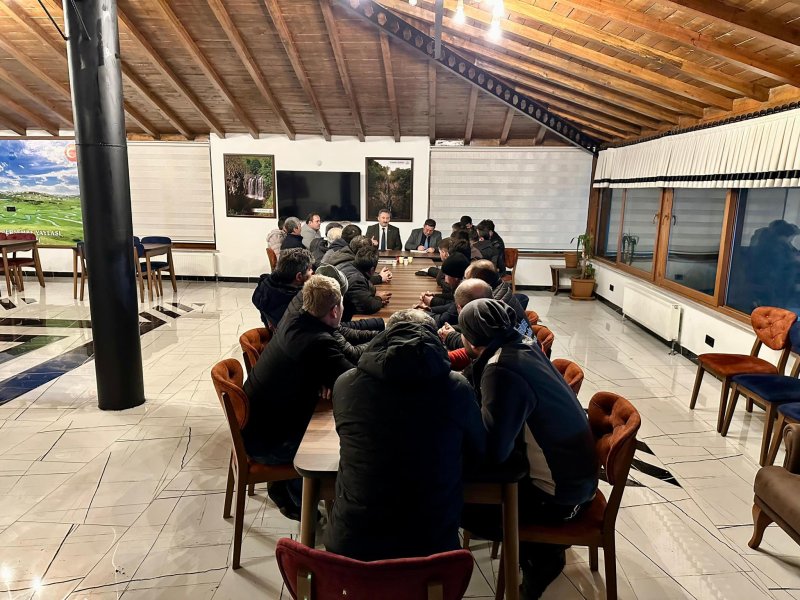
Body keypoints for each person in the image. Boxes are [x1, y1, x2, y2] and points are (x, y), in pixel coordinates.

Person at [459, 299, 597, 599]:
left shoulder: (501, 369)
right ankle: (540, 551)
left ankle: (540, 555)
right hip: (578, 480)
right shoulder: (524, 344)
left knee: (456, 500)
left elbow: (494, 452)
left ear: (470, 340)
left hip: (560, 498)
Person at [325, 310, 485, 561]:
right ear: (434, 341)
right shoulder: (458, 388)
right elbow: (478, 449)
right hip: (434, 546)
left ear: (385, 337)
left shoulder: (346, 383)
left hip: (354, 544)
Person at [243, 274, 354, 519]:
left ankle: (284, 489)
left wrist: (324, 376)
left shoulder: (295, 318)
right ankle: (303, 501)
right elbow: (353, 383)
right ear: (335, 310)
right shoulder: (318, 342)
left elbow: (321, 367)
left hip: (256, 426)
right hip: (269, 444)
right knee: (339, 444)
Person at [251, 248, 313, 328]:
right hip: (290, 334)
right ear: (299, 277)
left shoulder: (266, 286)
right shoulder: (297, 303)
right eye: (309, 269)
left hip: (275, 330)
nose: (312, 272)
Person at [339, 247, 391, 319]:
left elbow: (364, 285)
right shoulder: (356, 280)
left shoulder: (348, 265)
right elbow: (369, 307)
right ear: (372, 269)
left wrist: (373, 294)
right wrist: (380, 299)